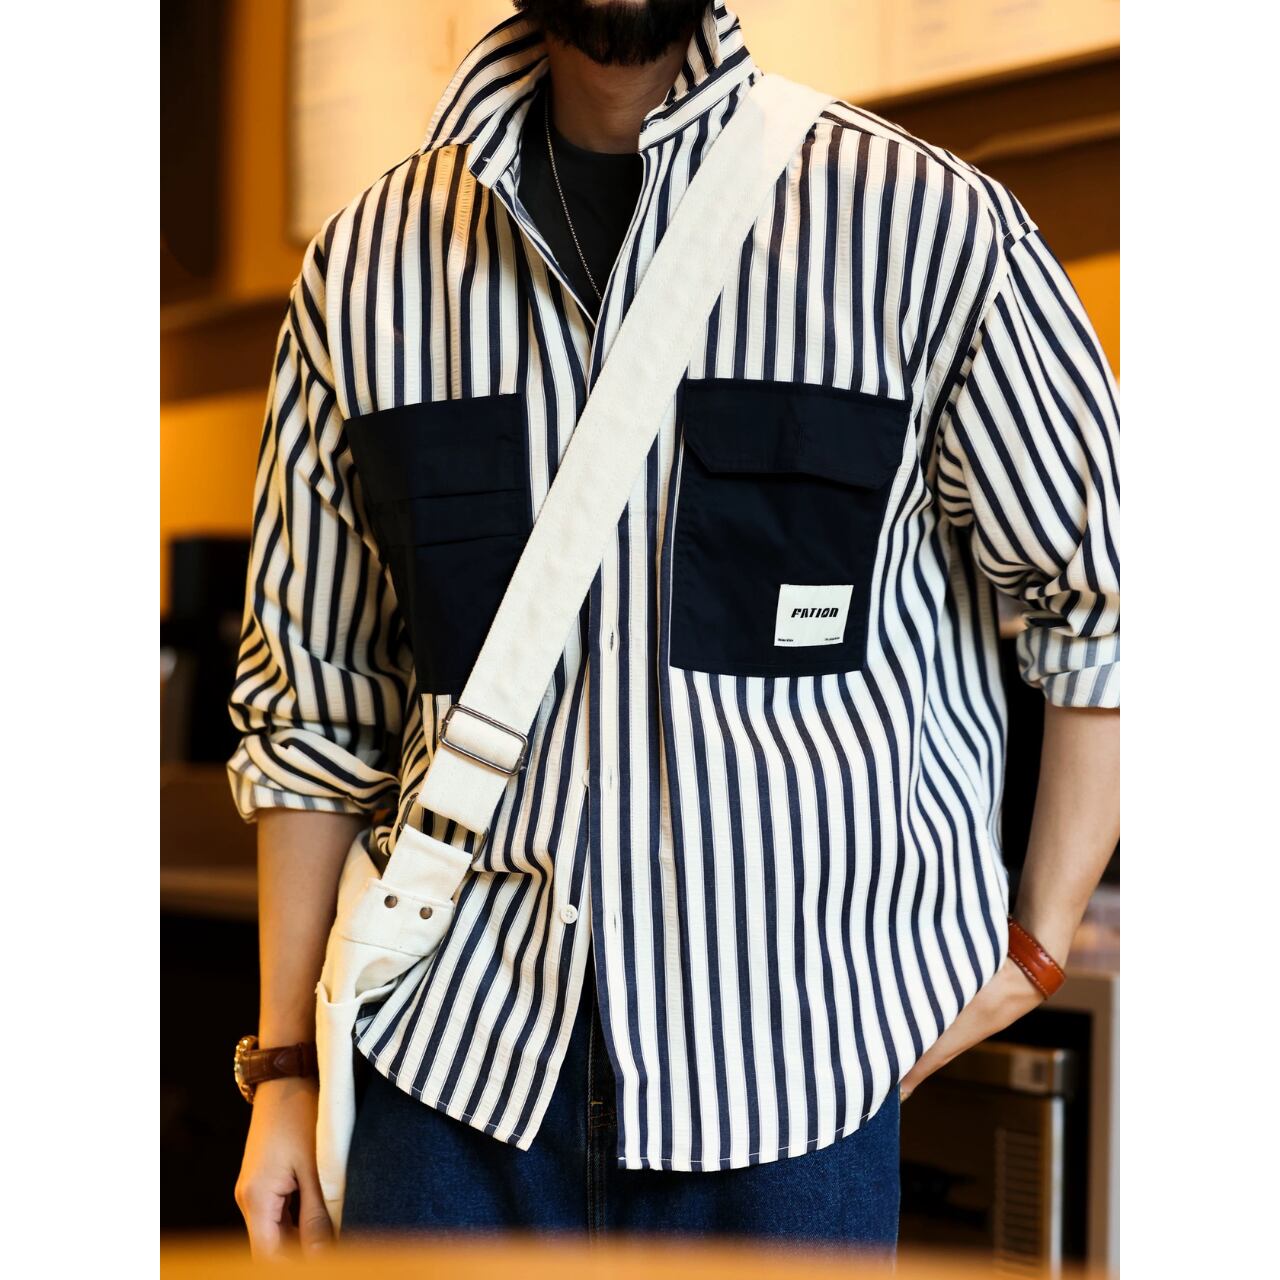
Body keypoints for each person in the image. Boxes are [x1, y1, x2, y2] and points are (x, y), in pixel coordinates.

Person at [228, 0, 1120, 1258]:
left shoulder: (926, 230)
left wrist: (1032, 947)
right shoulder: (365, 271)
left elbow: (1111, 593)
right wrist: (281, 1070)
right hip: (443, 1086)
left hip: (793, 1096)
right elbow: (315, 703)